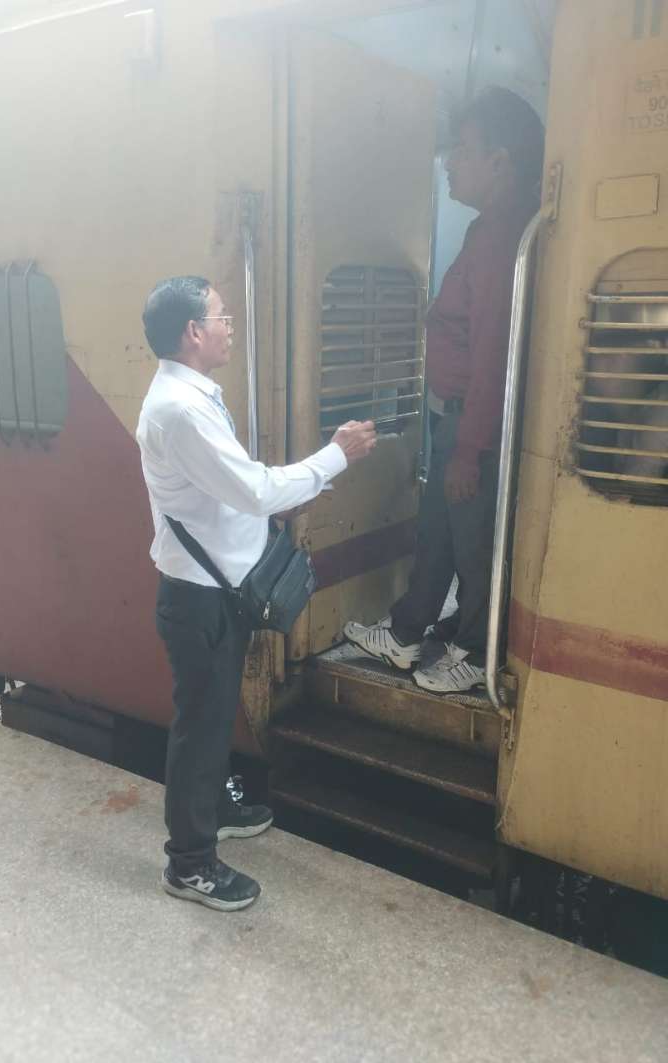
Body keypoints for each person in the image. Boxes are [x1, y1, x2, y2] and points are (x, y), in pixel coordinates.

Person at [137, 276, 376, 911]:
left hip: (216, 588)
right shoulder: (182, 410)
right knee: (201, 725)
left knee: (213, 715)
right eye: (222, 316)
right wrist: (335, 457)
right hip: (200, 597)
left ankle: (214, 808)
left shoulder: (191, 396)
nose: (230, 325)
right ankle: (189, 864)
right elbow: (255, 490)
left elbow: (232, 493)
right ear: (194, 332)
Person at [345, 86, 545, 694]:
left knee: (474, 542)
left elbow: (493, 353)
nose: (450, 162)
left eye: (462, 149)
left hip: (471, 419)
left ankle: (475, 653)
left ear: (500, 161)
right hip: (454, 416)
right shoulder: (489, 231)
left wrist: (469, 448)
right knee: (439, 529)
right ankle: (407, 634)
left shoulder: (500, 239)